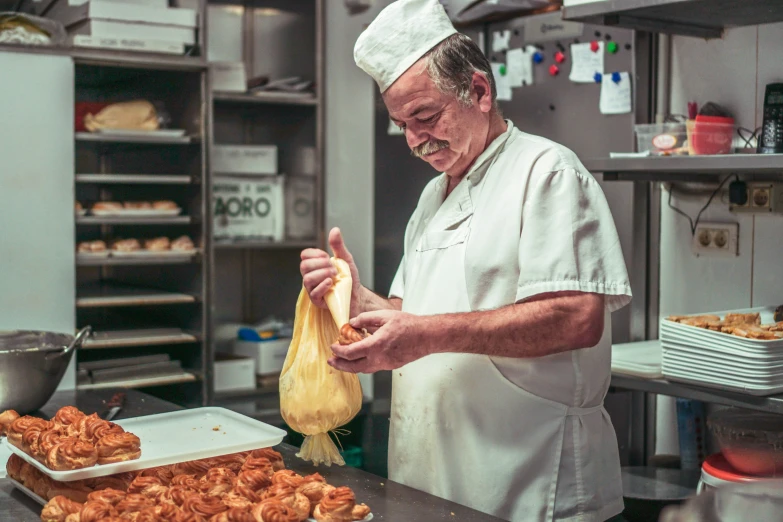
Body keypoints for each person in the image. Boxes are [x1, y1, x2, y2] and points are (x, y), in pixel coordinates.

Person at [299, 1, 632, 520]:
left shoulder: (546, 173)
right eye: (401, 124)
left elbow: (576, 316)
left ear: (479, 91)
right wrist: (348, 291)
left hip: (531, 478)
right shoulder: (433, 197)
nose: (413, 140)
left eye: (425, 117)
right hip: (433, 476)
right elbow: (406, 314)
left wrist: (426, 335)